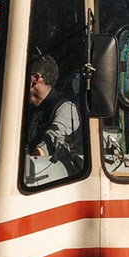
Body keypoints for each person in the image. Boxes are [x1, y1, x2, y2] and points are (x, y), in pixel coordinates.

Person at [22, 51, 85, 189]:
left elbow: (50, 142)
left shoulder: (66, 108)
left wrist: (38, 152)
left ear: (36, 79)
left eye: (21, 74)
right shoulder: (26, 109)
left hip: (55, 184)